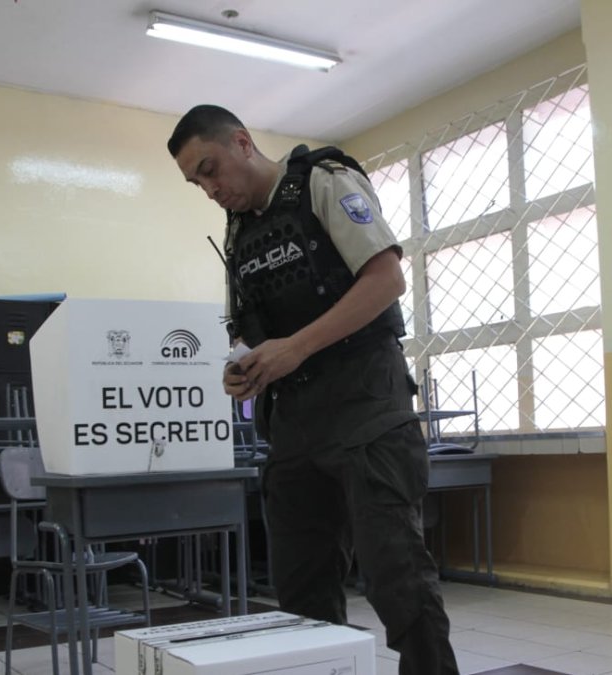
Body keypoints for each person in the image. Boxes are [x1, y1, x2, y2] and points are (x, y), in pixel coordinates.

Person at [167, 104, 459, 675]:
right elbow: (249, 330)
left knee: (396, 577)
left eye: (210, 168)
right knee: (301, 594)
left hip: (366, 406)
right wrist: (243, 366)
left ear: (243, 143)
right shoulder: (240, 231)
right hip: (295, 420)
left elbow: (387, 279)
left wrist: (295, 347)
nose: (208, 189)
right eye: (195, 181)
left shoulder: (324, 183)